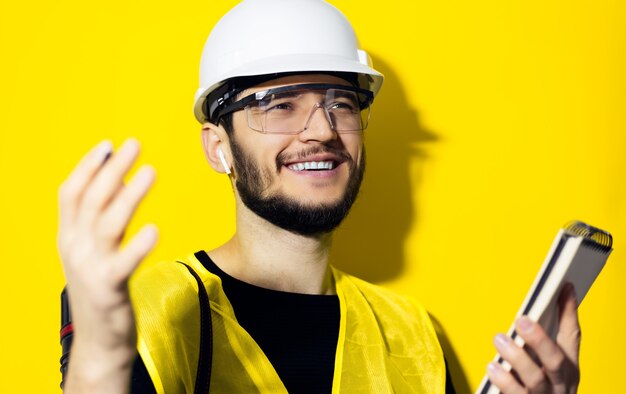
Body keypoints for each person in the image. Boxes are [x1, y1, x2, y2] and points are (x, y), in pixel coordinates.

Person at [57, 0, 582, 392]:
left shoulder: (413, 335)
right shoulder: (150, 310)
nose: (322, 131)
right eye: (279, 104)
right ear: (219, 148)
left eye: (341, 102)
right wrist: (100, 357)